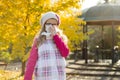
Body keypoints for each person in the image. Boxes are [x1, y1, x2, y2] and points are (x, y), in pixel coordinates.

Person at [24, 11, 69, 80]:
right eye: (49, 24)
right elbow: (32, 60)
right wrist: (27, 78)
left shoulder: (60, 38)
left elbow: (65, 53)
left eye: (54, 24)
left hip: (59, 76)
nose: (51, 26)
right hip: (43, 76)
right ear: (44, 25)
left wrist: (56, 37)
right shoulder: (38, 40)